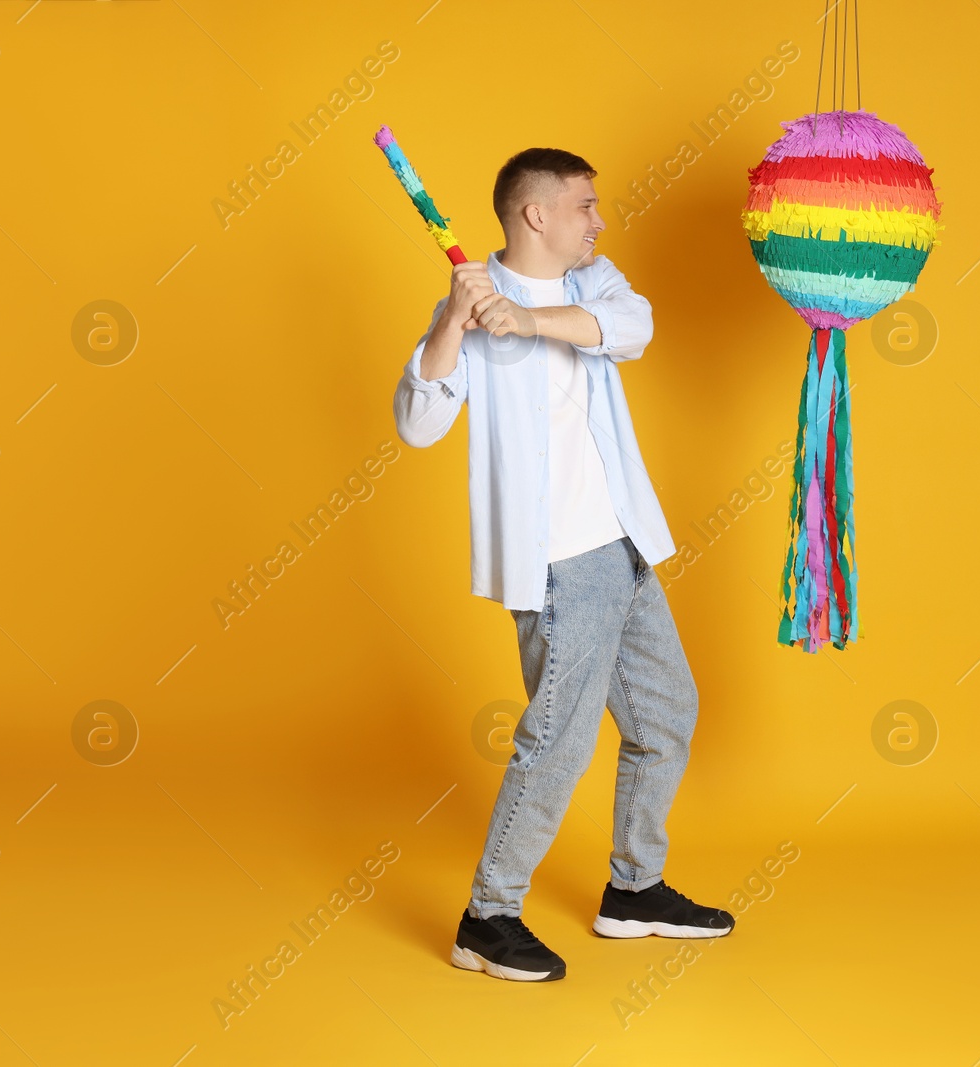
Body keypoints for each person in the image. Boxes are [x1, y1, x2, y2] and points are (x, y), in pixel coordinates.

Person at [392, 147, 734, 983]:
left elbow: (633, 328)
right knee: (559, 739)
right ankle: (489, 914)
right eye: (585, 205)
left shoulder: (593, 283)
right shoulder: (468, 308)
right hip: (557, 562)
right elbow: (416, 421)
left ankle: (635, 888)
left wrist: (528, 320)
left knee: (666, 717)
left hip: (622, 544)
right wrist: (455, 322)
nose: (599, 219)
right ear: (535, 214)